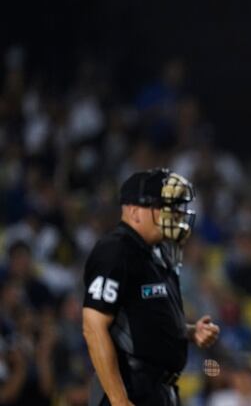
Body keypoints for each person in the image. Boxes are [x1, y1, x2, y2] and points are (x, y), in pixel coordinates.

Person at [82, 168, 220, 406]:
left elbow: (142, 323)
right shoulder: (116, 251)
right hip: (131, 389)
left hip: (159, 391)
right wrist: (118, 400)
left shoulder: (159, 253)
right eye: (165, 207)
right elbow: (93, 326)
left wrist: (188, 332)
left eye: (176, 207)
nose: (175, 214)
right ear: (135, 211)